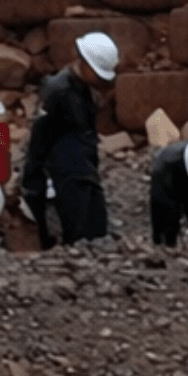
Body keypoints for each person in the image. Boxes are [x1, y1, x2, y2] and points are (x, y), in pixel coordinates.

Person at [20, 31, 117, 249]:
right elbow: (39, 137)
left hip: (85, 171)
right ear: (84, 62)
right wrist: (33, 181)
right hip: (67, 176)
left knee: (97, 232)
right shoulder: (58, 91)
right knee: (80, 237)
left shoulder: (85, 91)